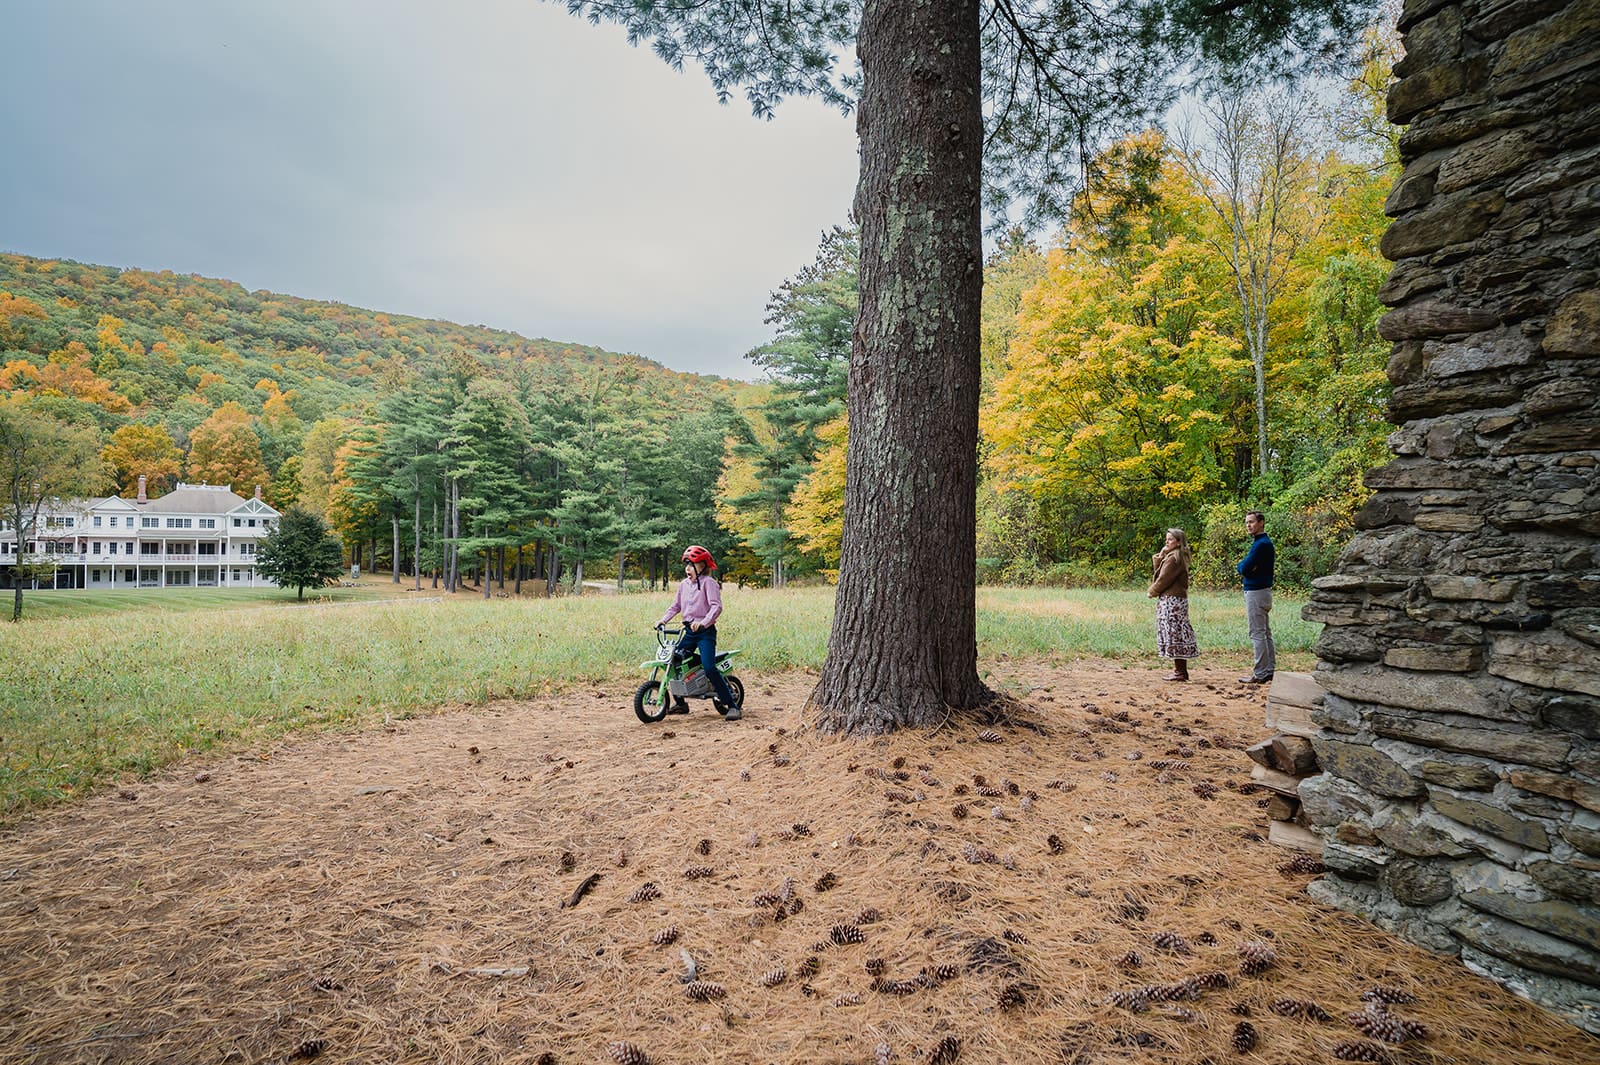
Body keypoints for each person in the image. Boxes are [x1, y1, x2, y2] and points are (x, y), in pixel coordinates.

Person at [657, 544, 742, 721]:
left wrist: (703, 623)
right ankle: (680, 703)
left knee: (710, 667)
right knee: (674, 661)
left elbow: (716, 607)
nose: (687, 568)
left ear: (702, 566)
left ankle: (732, 706)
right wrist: (663, 620)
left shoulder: (709, 584)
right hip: (689, 631)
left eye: (691, 565)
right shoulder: (683, 585)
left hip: (705, 631)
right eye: (686, 565)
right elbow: (676, 606)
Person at [1148, 527, 1199, 681]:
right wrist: (1161, 555)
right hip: (1175, 600)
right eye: (1166, 539)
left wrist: (1152, 591)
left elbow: (1163, 579)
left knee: (1174, 633)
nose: (1166, 542)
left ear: (1178, 542)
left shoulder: (1174, 559)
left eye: (1170, 539)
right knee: (1176, 633)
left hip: (1172, 601)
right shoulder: (1173, 556)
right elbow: (1159, 573)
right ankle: (1180, 671)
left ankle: (1180, 672)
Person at [1237, 510, 1276, 684]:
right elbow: (1246, 566)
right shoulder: (1262, 543)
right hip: (1263, 591)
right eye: (1247, 522)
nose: (1249, 525)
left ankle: (1260, 673)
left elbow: (1244, 568)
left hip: (1256, 592)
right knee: (1265, 633)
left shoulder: (1261, 544)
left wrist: (1243, 567)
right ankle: (1269, 670)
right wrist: (1245, 566)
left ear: (1261, 522)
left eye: (1251, 522)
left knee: (1257, 633)